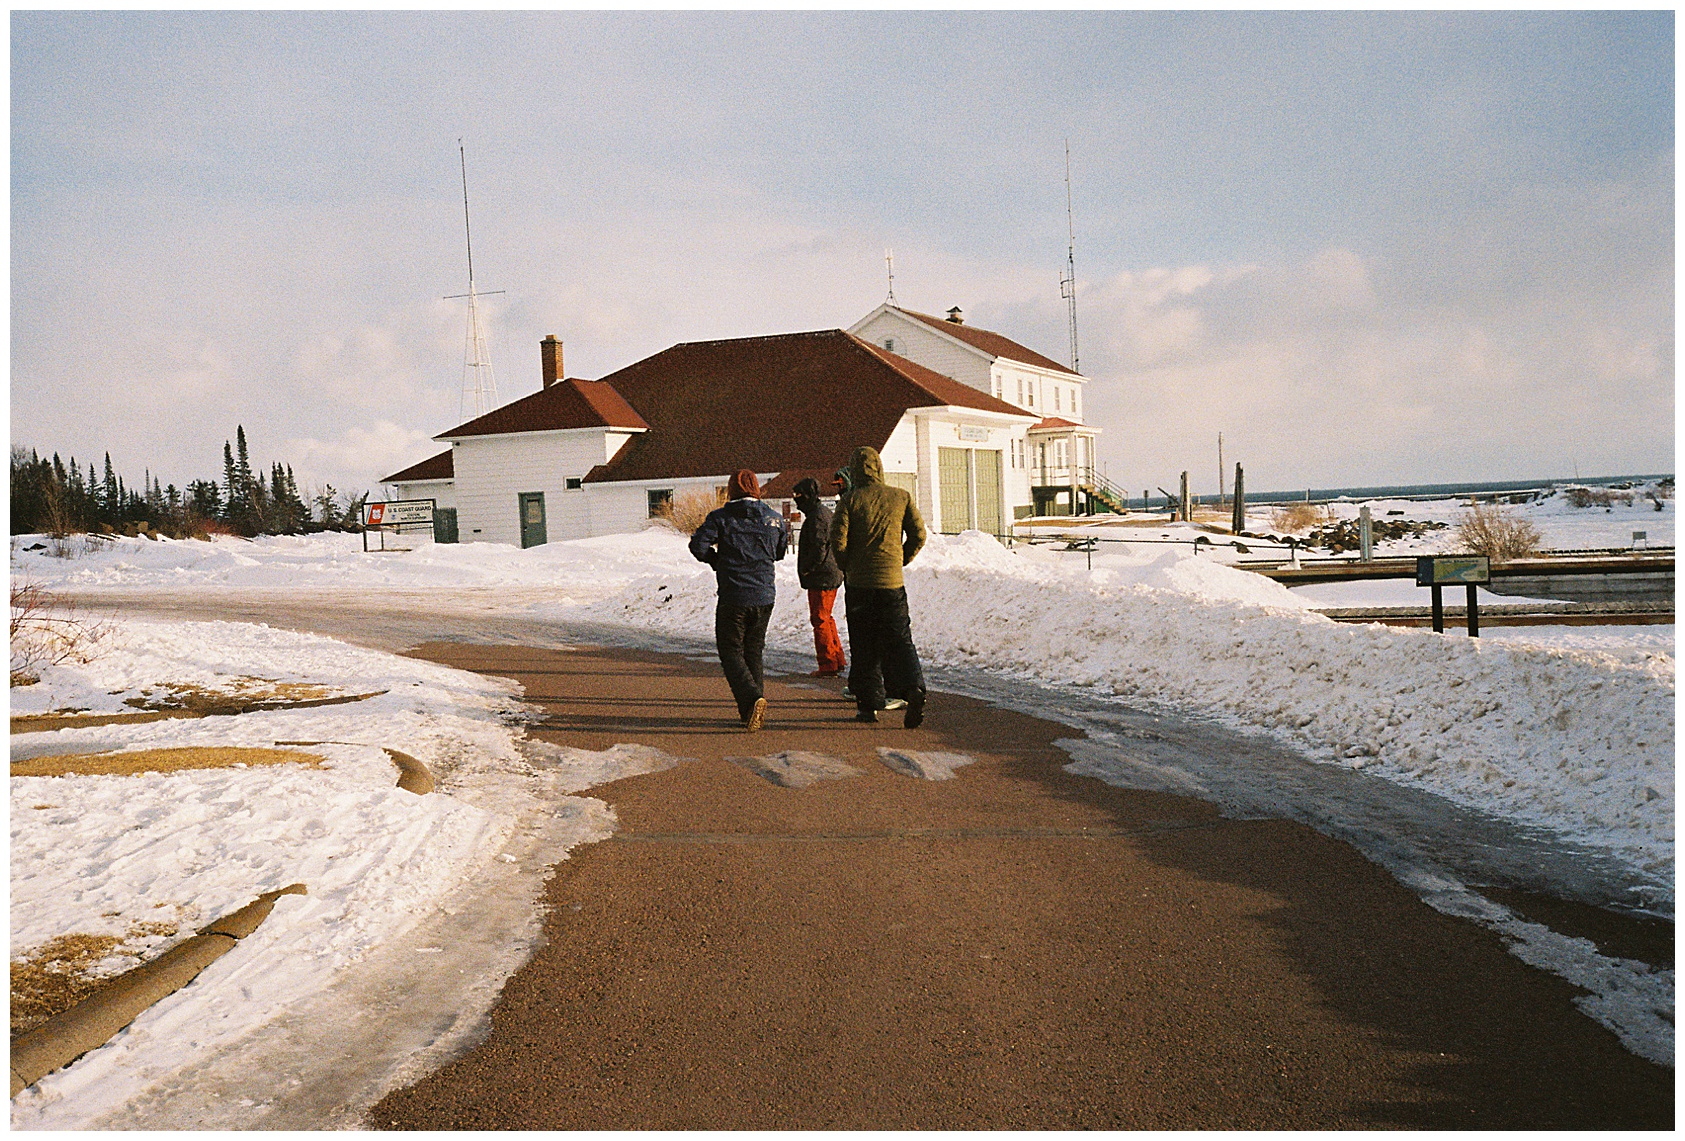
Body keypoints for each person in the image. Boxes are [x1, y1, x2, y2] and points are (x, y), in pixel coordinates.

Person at [829, 445, 928, 728]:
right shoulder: (901, 497)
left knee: (864, 644)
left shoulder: (850, 500)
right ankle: (913, 688)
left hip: (860, 586)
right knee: (899, 640)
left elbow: (838, 541)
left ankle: (868, 706)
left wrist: (849, 565)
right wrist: (902, 558)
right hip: (892, 583)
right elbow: (919, 534)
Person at [688, 469, 790, 731]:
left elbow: (698, 546)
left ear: (731, 490)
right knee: (753, 650)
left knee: (730, 650)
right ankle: (751, 712)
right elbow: (780, 552)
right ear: (757, 489)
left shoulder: (721, 518)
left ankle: (751, 698)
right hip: (765, 594)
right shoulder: (774, 518)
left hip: (734, 594)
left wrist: (717, 560)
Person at [792, 477, 846, 677]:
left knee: (820, 619)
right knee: (827, 617)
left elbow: (818, 548)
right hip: (830, 572)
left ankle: (828, 664)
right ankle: (837, 658)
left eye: (798, 496)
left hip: (822, 575)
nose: (797, 501)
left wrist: (807, 569)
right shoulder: (823, 513)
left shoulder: (816, 517)